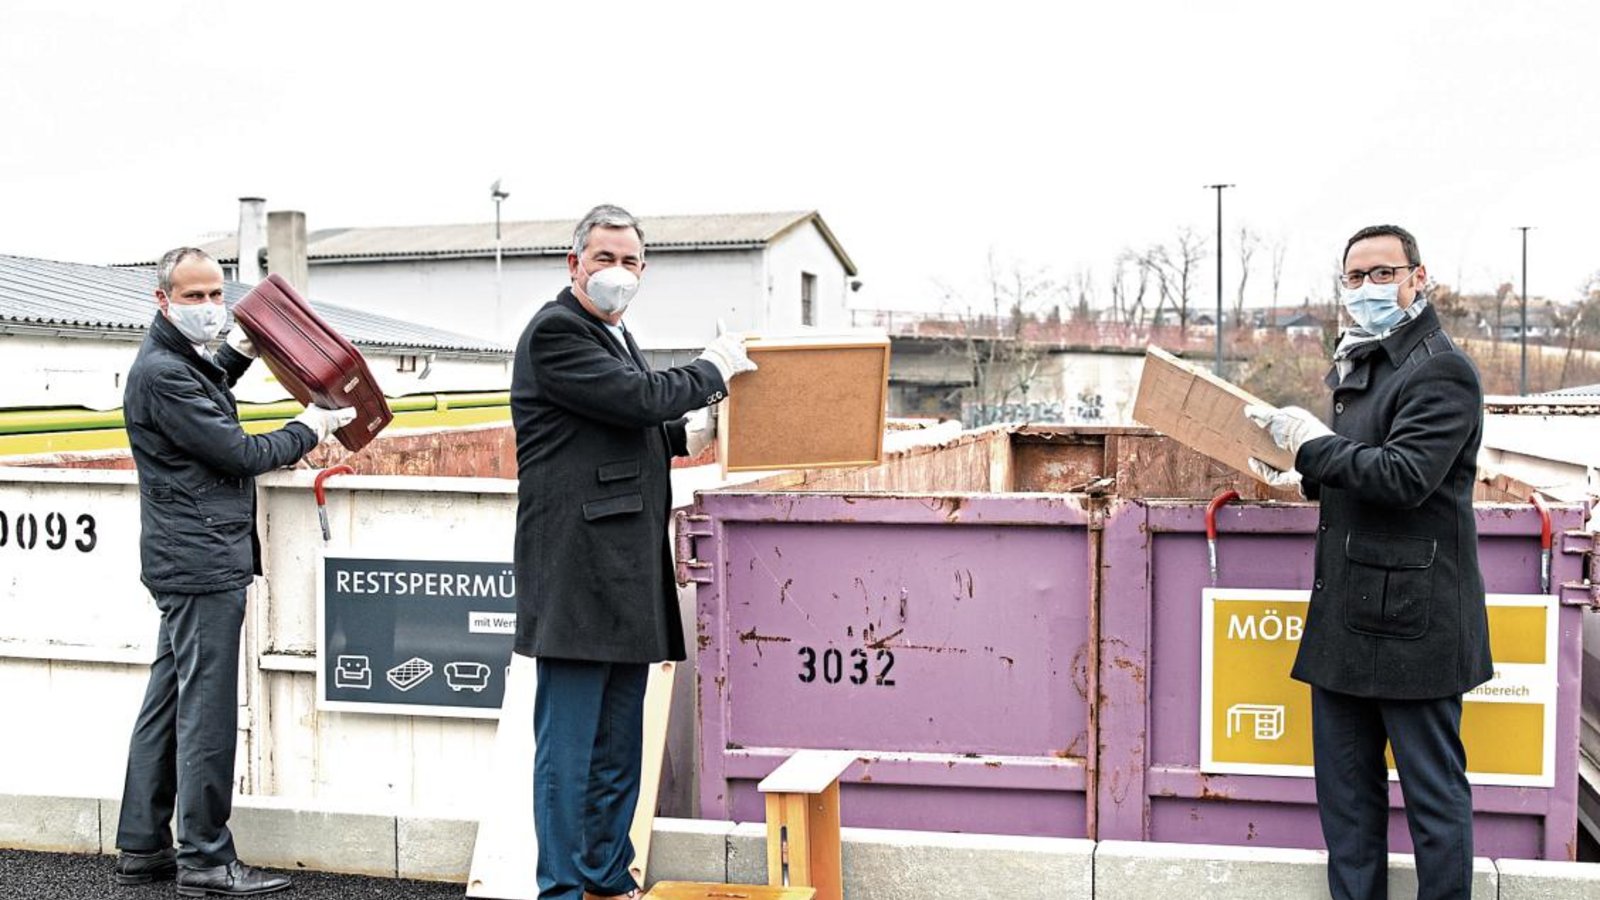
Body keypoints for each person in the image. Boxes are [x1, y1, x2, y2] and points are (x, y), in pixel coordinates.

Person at [510, 205, 755, 900]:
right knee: (569, 747)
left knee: (618, 744)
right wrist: (711, 371)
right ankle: (559, 888)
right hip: (576, 568)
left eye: (630, 261)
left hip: (621, 567)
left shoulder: (614, 334)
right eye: (604, 258)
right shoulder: (557, 331)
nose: (617, 272)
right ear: (574, 263)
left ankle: (606, 877)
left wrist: (687, 437)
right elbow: (637, 398)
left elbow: (624, 422)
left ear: (643, 270)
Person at [1246, 224, 1488, 900]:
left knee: (1435, 803)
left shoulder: (1440, 369)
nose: (1366, 288)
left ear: (1419, 277)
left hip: (1418, 626)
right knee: (1348, 809)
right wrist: (1306, 476)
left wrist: (1310, 449)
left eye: (1382, 273)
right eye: (1354, 277)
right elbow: (1360, 461)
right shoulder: (1365, 360)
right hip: (1349, 620)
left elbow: (1407, 475)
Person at [112, 248, 355, 896]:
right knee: (207, 715)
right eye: (192, 298)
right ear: (162, 301)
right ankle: (206, 859)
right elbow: (237, 451)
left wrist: (243, 350)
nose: (208, 308)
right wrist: (311, 426)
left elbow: (208, 390)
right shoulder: (162, 373)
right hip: (200, 563)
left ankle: (143, 846)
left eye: (215, 294)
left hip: (184, 557)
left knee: (168, 704)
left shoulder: (175, 362)